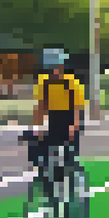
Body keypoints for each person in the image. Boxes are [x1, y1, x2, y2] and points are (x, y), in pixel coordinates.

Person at [29, 48, 85, 177]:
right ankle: (44, 169)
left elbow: (77, 107)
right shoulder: (44, 82)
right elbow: (41, 105)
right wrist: (37, 126)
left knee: (69, 152)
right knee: (40, 144)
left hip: (70, 118)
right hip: (54, 117)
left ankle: (72, 174)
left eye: (57, 66)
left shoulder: (72, 82)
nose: (54, 70)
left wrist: (74, 125)